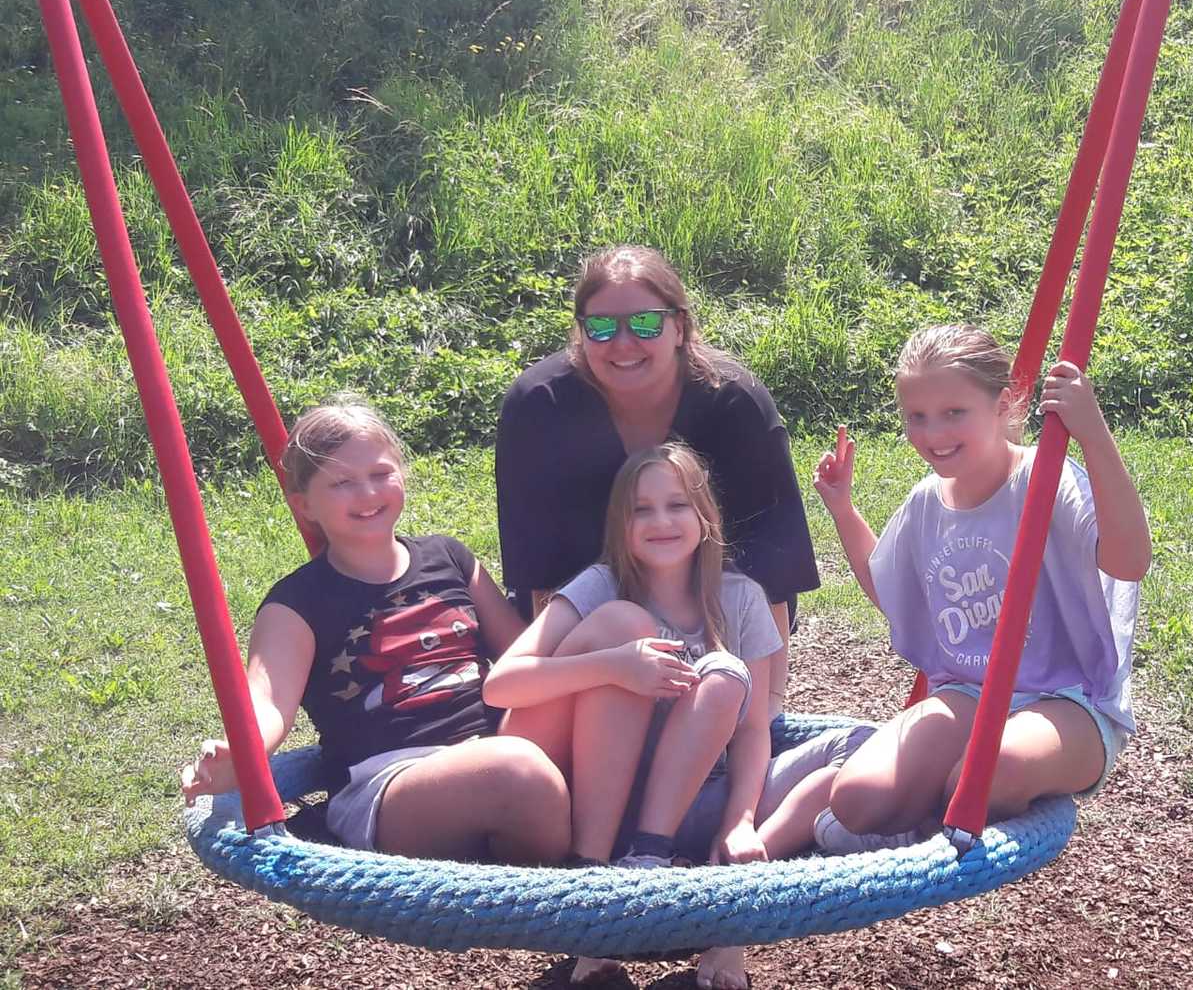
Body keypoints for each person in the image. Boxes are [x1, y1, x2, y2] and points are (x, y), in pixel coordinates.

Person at [180, 397, 569, 866]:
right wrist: (241, 750)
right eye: (342, 483)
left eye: (381, 474)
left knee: (588, 685)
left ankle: (615, 851)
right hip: (391, 781)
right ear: (304, 504)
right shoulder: (297, 603)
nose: (367, 493)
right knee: (517, 769)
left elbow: (522, 658)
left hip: (492, 743)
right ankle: (564, 877)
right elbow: (267, 701)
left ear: (402, 474)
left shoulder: (449, 558)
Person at [808, 324, 1150, 852]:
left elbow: (1130, 561)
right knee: (857, 798)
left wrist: (1092, 433)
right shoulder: (928, 502)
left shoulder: (1046, 478)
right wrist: (843, 510)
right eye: (916, 417)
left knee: (988, 772)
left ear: (1003, 402)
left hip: (1070, 699)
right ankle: (924, 815)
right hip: (970, 691)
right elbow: (893, 592)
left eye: (954, 412)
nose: (933, 434)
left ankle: (950, 812)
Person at [486, 443, 791, 989]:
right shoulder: (601, 586)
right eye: (641, 510)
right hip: (593, 784)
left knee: (736, 683)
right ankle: (592, 884)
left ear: (705, 515)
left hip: (687, 791)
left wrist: (741, 819)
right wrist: (614, 666)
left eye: (677, 505)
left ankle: (681, 885)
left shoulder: (741, 597)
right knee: (623, 624)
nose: (661, 522)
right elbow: (500, 686)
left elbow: (752, 731)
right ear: (619, 525)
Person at [496, 246, 819, 717]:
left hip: (715, 621)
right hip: (595, 626)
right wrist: (554, 695)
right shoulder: (540, 407)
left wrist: (767, 712)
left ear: (680, 327)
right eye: (601, 327)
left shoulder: (734, 403)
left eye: (645, 323)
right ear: (581, 332)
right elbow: (541, 575)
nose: (623, 343)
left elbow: (774, 568)